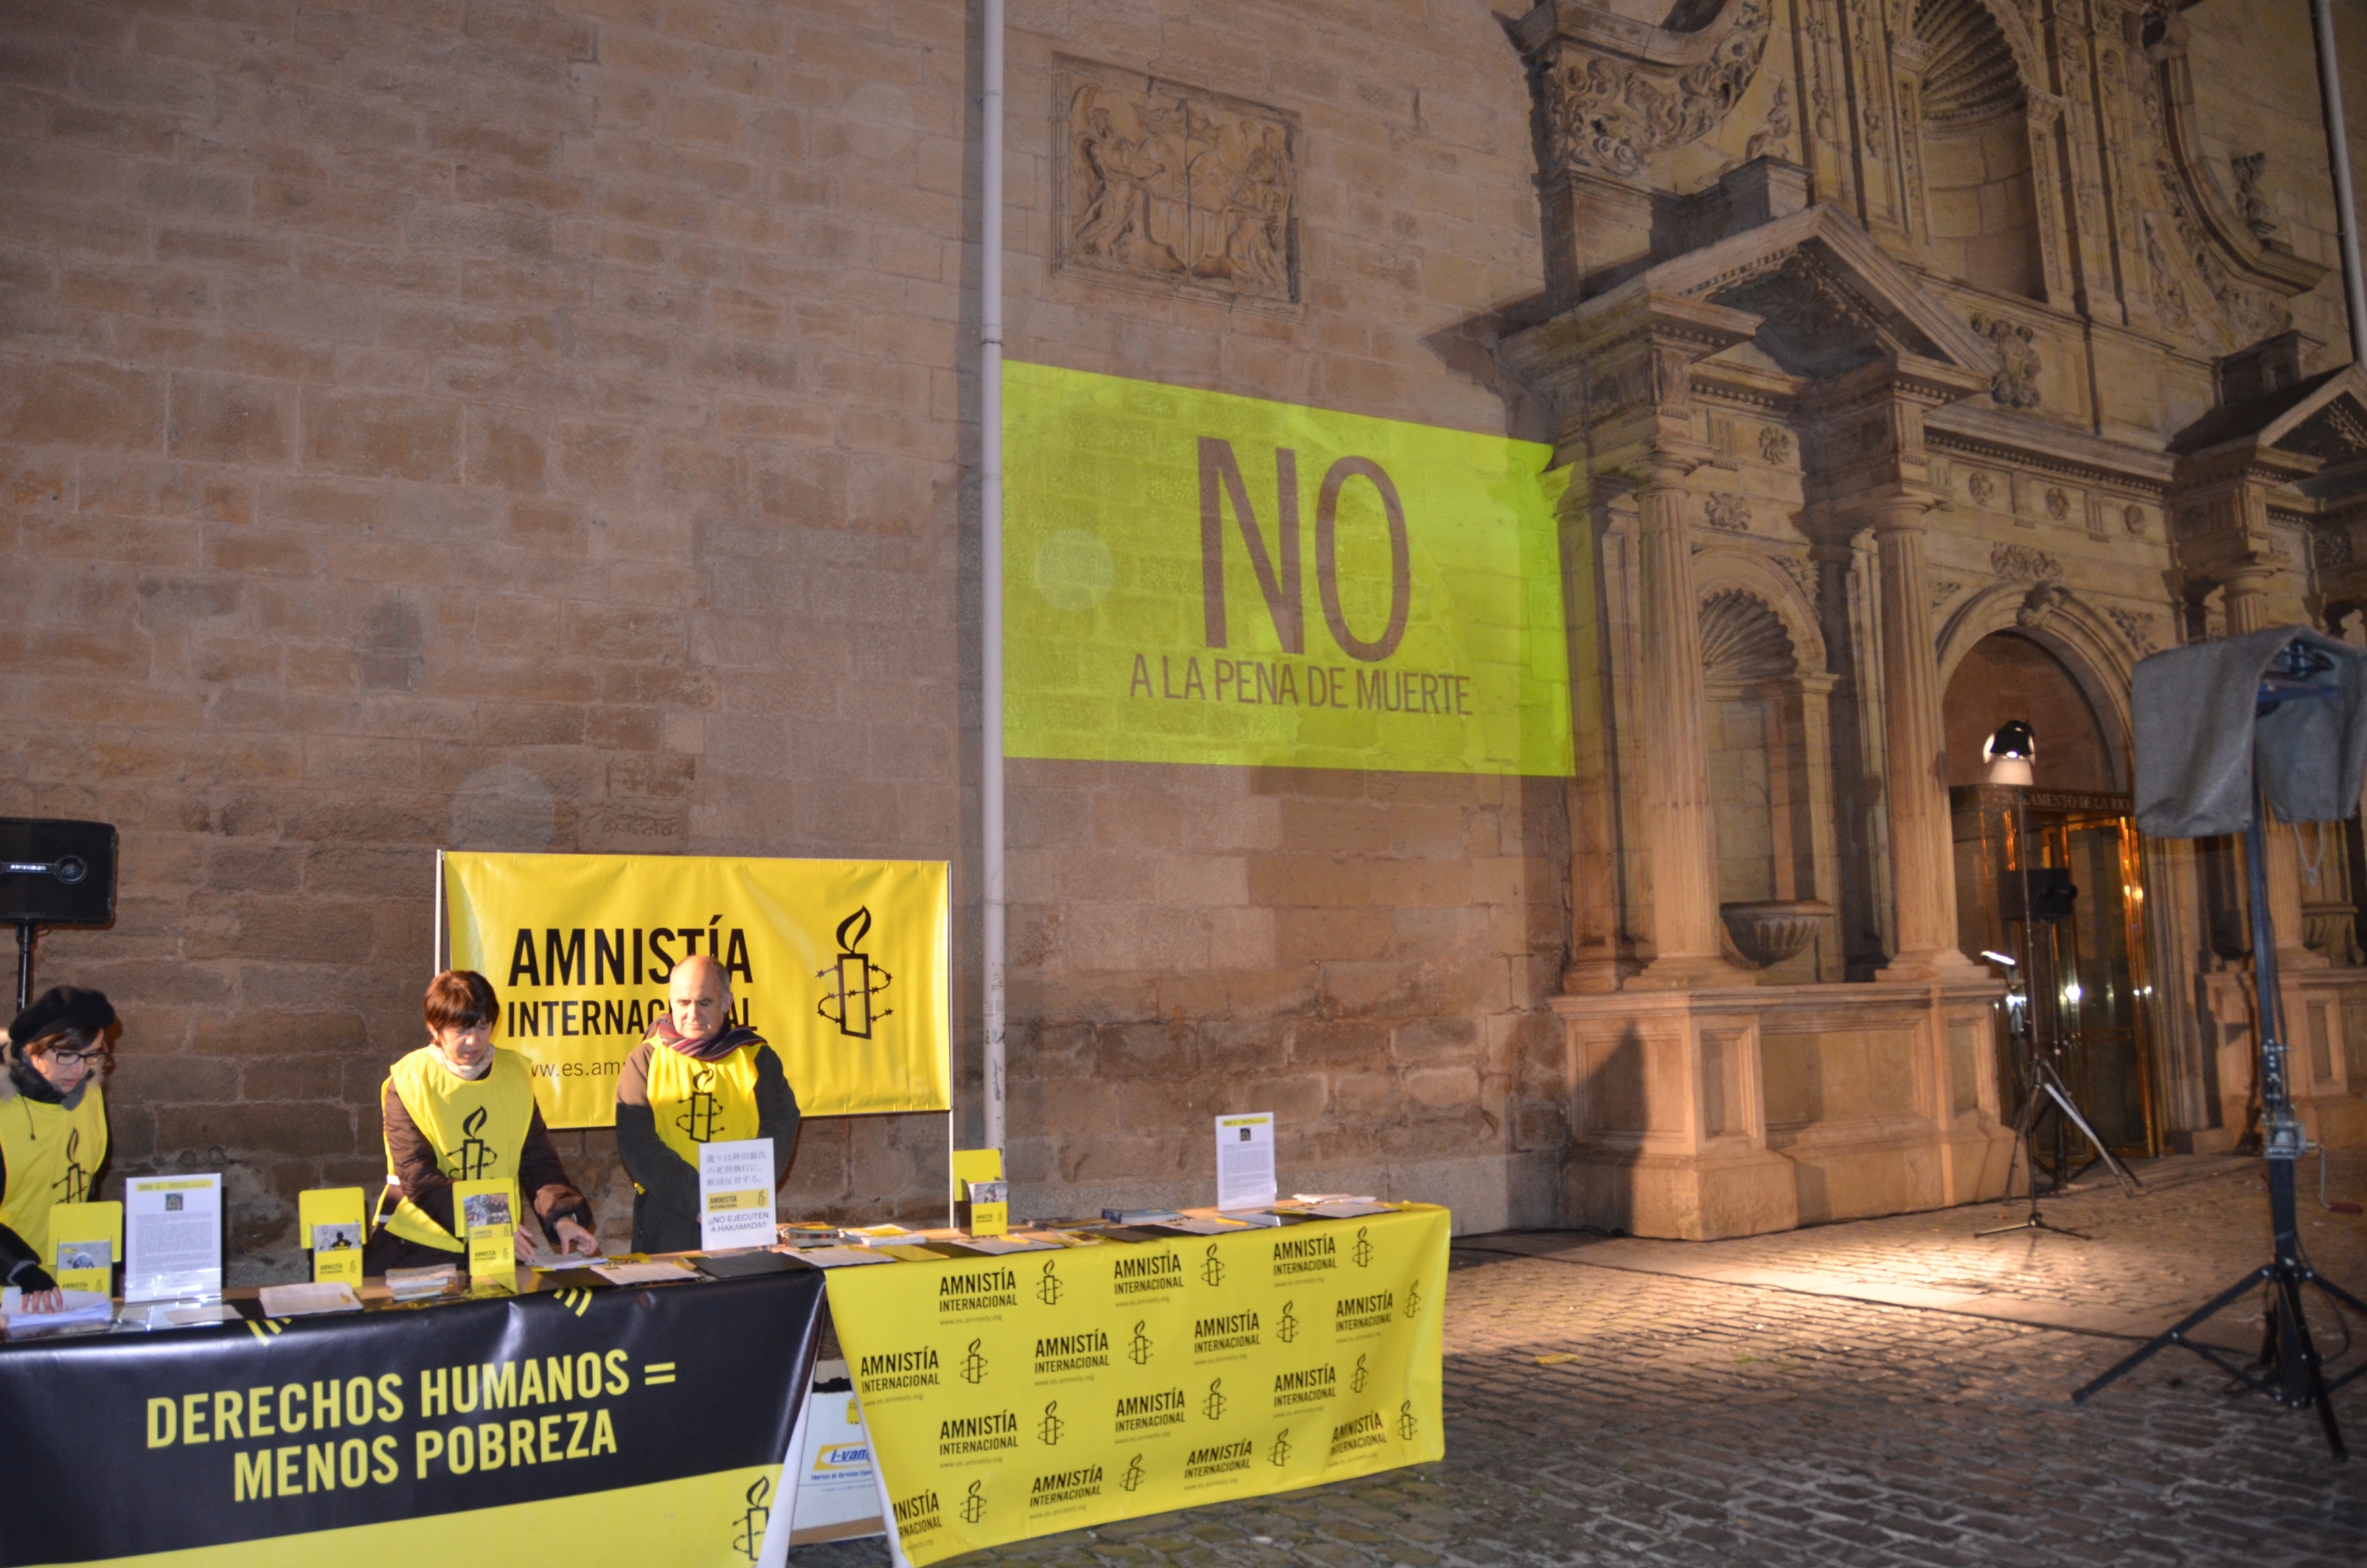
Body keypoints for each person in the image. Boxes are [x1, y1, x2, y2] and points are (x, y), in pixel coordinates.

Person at [364, 970, 601, 1274]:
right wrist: (490, 1218)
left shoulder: (514, 1075)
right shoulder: (408, 1081)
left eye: (482, 1026)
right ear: (434, 1028)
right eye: (461, 1030)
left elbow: (537, 1161)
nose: (473, 1040)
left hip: (496, 1244)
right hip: (419, 1246)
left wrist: (562, 1217)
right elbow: (417, 1176)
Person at [615, 953, 799, 1254]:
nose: (693, 1014)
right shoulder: (646, 1059)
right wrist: (699, 1199)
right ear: (670, 1001)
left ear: (727, 1002)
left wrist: (736, 1195)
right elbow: (637, 1144)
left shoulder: (756, 1058)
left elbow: (780, 1127)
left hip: (740, 1213)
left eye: (704, 1003)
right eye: (683, 1002)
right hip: (668, 1217)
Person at [0, 986, 115, 1314]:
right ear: (32, 1048)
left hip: (68, 1290)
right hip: (12, 1293)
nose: (80, 1070)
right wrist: (21, 1269)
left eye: (92, 1055)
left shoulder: (89, 1097)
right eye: (67, 1055)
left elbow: (84, 1188)